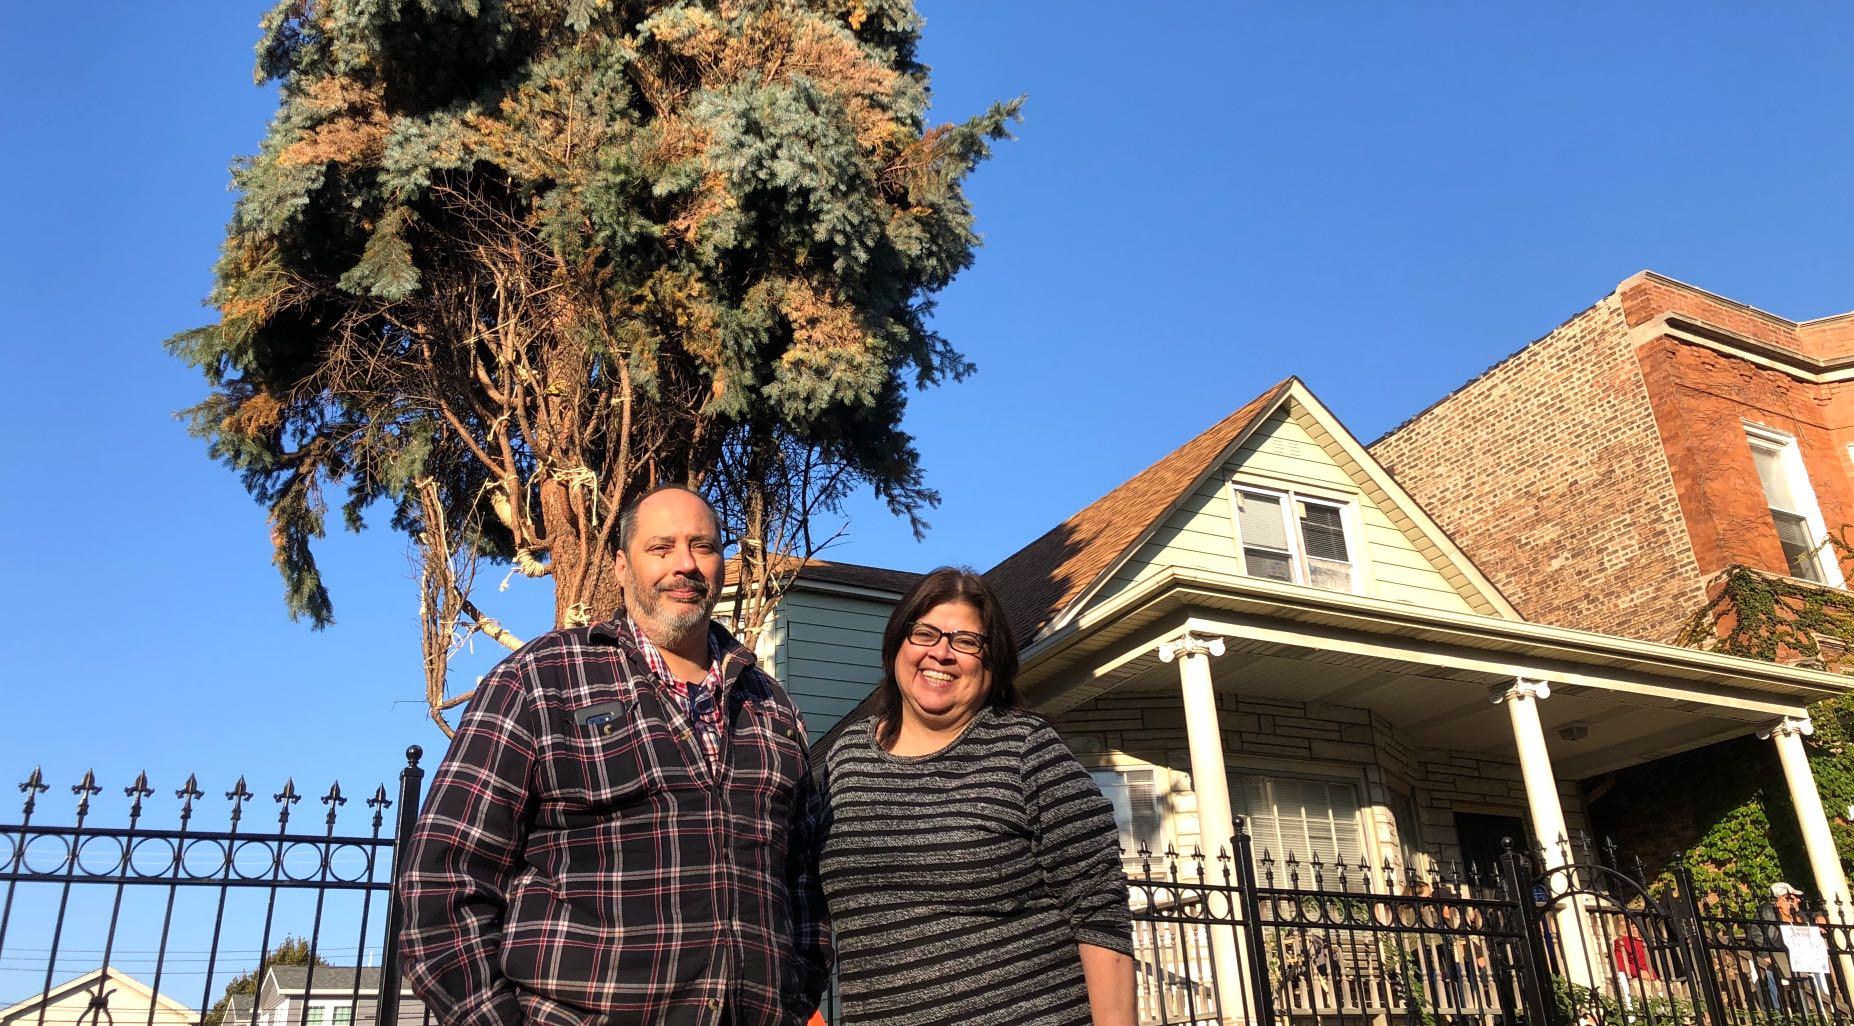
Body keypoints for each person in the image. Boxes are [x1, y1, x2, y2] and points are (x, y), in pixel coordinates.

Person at [398, 485, 830, 1026]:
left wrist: (792, 1007)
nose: (686, 565)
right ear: (622, 568)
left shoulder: (772, 709)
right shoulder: (541, 680)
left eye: (703, 546)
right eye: (661, 547)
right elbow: (442, 880)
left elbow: (806, 888)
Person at [815, 567, 1136, 1026]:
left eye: (966, 642)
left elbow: (1100, 913)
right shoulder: (845, 760)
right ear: (896, 646)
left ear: (992, 662)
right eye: (924, 633)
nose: (941, 653)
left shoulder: (1027, 748)